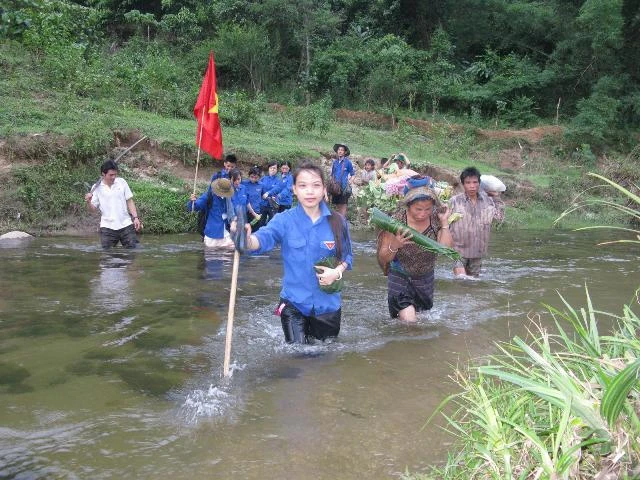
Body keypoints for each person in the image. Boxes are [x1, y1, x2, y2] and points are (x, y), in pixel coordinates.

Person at [237, 161, 353, 344]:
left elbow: (347, 256)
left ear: (324, 190)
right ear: (294, 190)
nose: (309, 191)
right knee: (297, 355)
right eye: (303, 185)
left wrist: (336, 272)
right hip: (294, 303)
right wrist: (245, 239)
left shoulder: (338, 221)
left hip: (328, 306)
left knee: (324, 359)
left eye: (316, 185)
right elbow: (262, 239)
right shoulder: (284, 220)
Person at [376, 185, 453, 322]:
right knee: (409, 320)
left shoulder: (436, 219)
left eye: (428, 209)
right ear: (408, 206)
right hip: (400, 277)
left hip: (425, 279)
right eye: (418, 209)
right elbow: (383, 257)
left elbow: (445, 249)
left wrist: (445, 222)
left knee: (422, 320)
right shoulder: (395, 222)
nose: (423, 213)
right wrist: (395, 245)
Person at [448, 166, 505, 277]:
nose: (472, 186)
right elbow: (443, 220)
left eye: (475, 182)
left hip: (477, 252)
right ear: (463, 184)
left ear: (479, 183)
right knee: (461, 279)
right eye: (468, 183)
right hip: (458, 252)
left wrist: (497, 198)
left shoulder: (488, 201)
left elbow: (499, 219)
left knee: (473, 284)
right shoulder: (454, 201)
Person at [84, 159, 143, 249]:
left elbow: (129, 201)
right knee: (107, 256)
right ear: (103, 174)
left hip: (126, 225)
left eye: (115, 174)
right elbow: (93, 210)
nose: (113, 177)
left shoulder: (122, 182)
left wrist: (135, 218)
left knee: (133, 252)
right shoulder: (96, 188)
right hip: (107, 227)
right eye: (111, 175)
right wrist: (88, 202)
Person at [188, 177, 235, 249]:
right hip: (212, 235)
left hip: (226, 233)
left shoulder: (227, 198)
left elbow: (231, 213)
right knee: (212, 258)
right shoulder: (208, 196)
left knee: (228, 257)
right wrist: (192, 201)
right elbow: (195, 207)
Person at [329, 143, 355, 218]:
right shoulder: (335, 162)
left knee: (343, 206)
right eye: (339, 150)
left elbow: (352, 174)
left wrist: (350, 181)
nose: (340, 151)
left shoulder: (348, 162)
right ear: (337, 151)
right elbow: (332, 174)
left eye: (342, 150)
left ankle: (342, 224)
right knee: (337, 206)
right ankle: (340, 223)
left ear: (345, 152)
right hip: (335, 188)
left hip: (344, 188)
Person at [242, 165, 266, 231]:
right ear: (249, 176)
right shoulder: (244, 183)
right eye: (251, 177)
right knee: (245, 230)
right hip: (245, 212)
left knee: (255, 230)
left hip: (256, 212)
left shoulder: (261, 185)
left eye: (256, 177)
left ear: (259, 177)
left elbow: (264, 196)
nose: (253, 179)